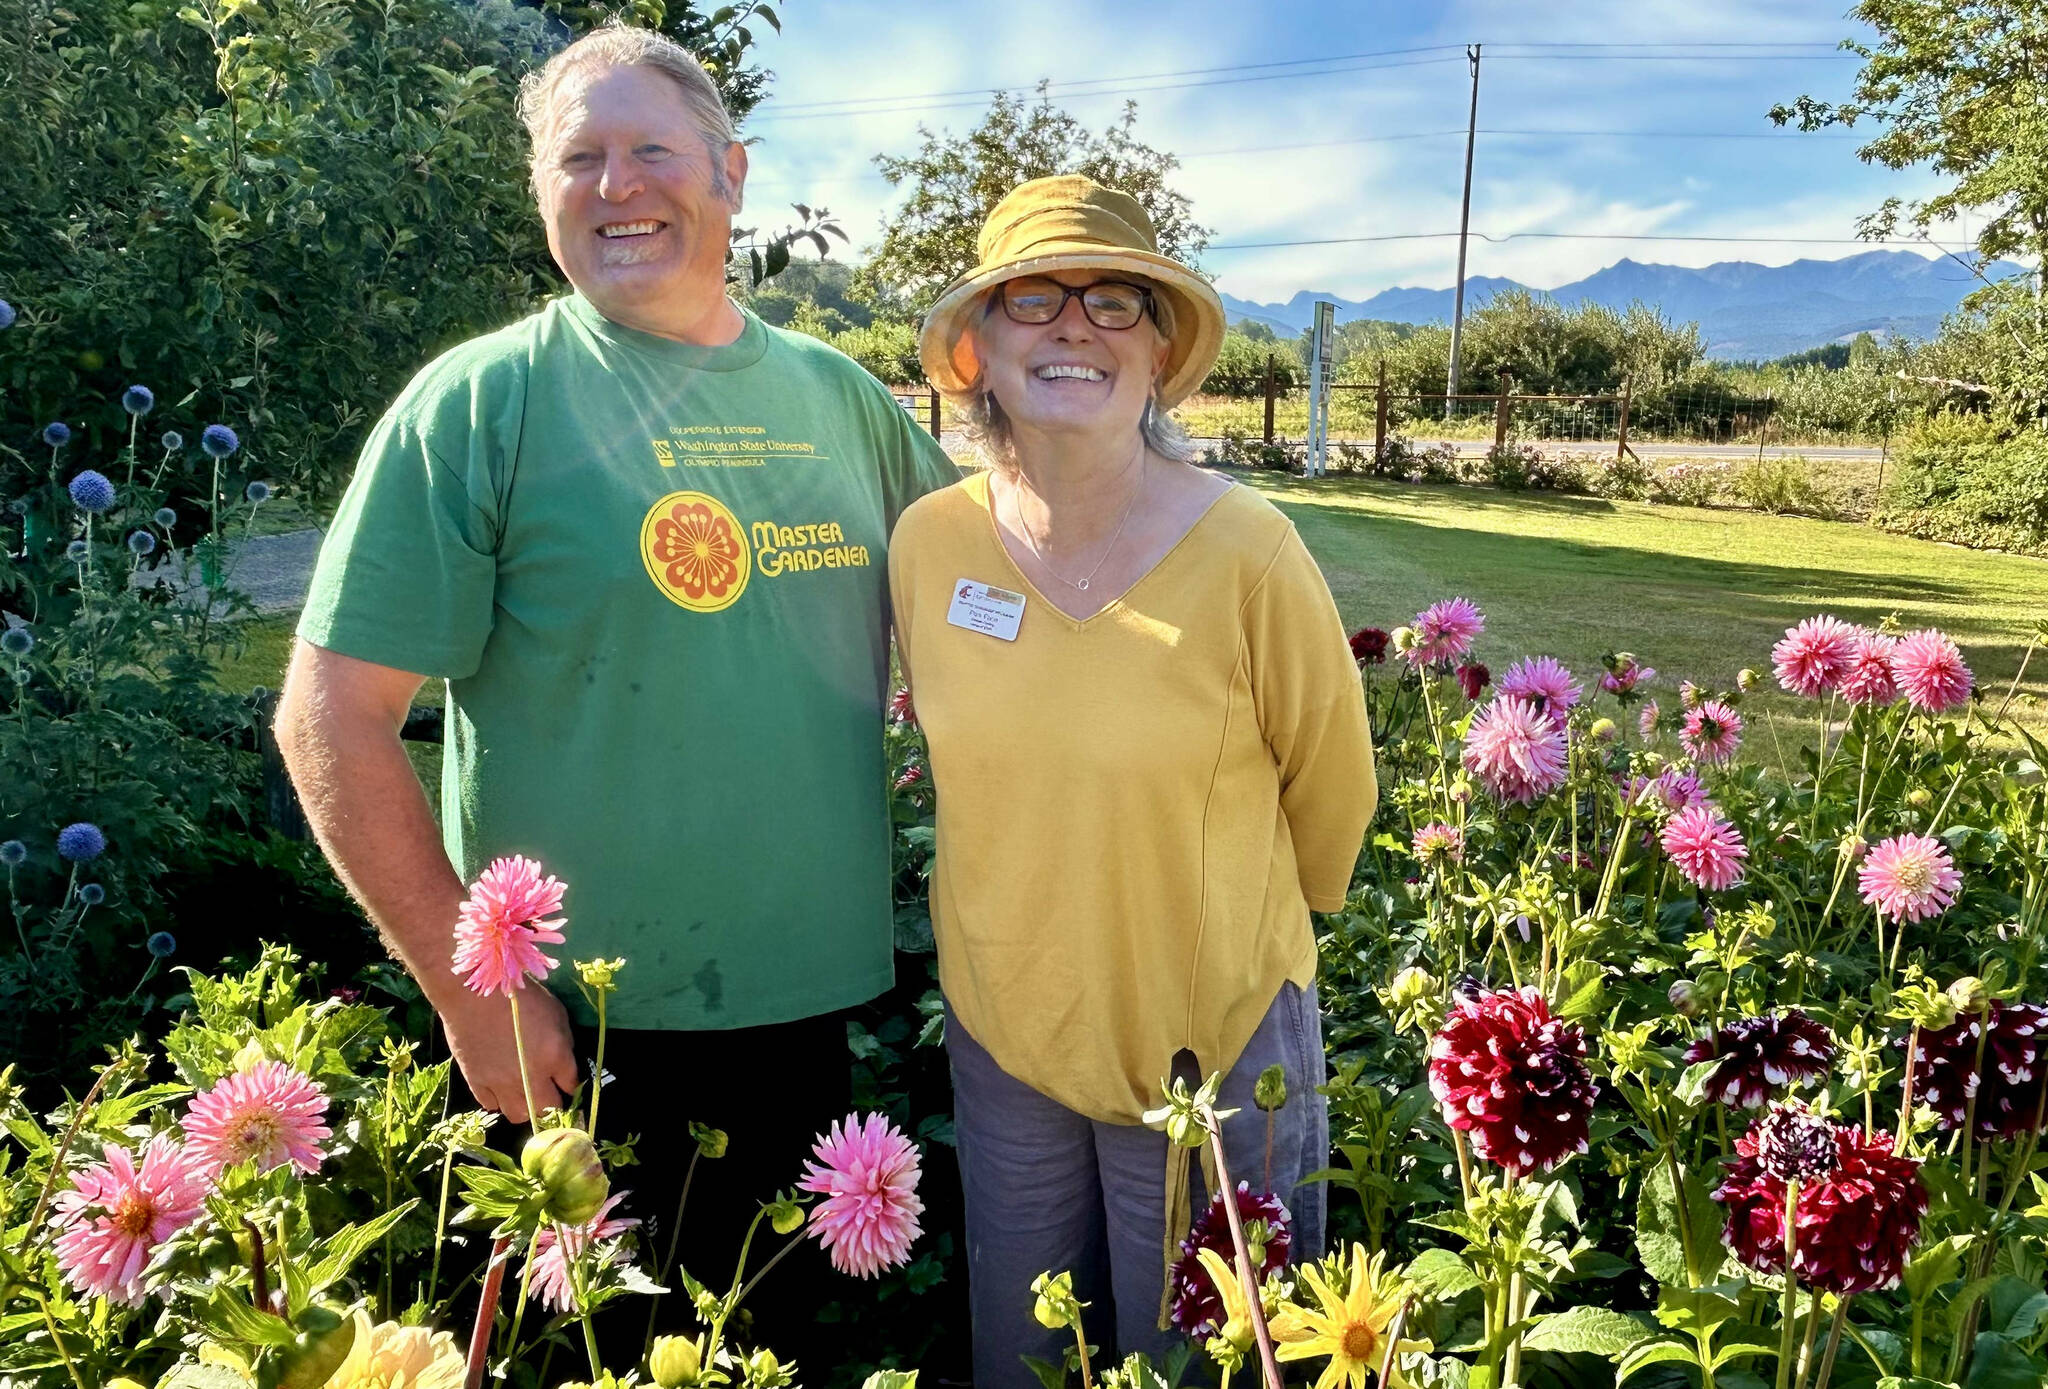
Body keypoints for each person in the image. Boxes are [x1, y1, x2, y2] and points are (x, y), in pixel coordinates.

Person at [273, 22, 957, 1364]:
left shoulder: (844, 402)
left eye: (653, 149)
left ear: (734, 173)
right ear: (540, 194)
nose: (617, 185)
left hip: (807, 1030)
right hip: (570, 1040)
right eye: (578, 157)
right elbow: (327, 717)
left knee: (769, 1359)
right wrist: (472, 992)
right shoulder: (480, 406)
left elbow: (988, 628)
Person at [887, 174, 1377, 1386]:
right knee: (1025, 1351)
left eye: (1114, 302)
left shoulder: (1250, 550)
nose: (1072, 327)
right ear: (976, 350)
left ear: (1159, 353)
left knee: (1201, 1355)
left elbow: (1333, 787)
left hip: (1210, 1037)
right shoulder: (927, 544)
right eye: (1031, 300)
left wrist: (1232, 950)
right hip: (1006, 1029)